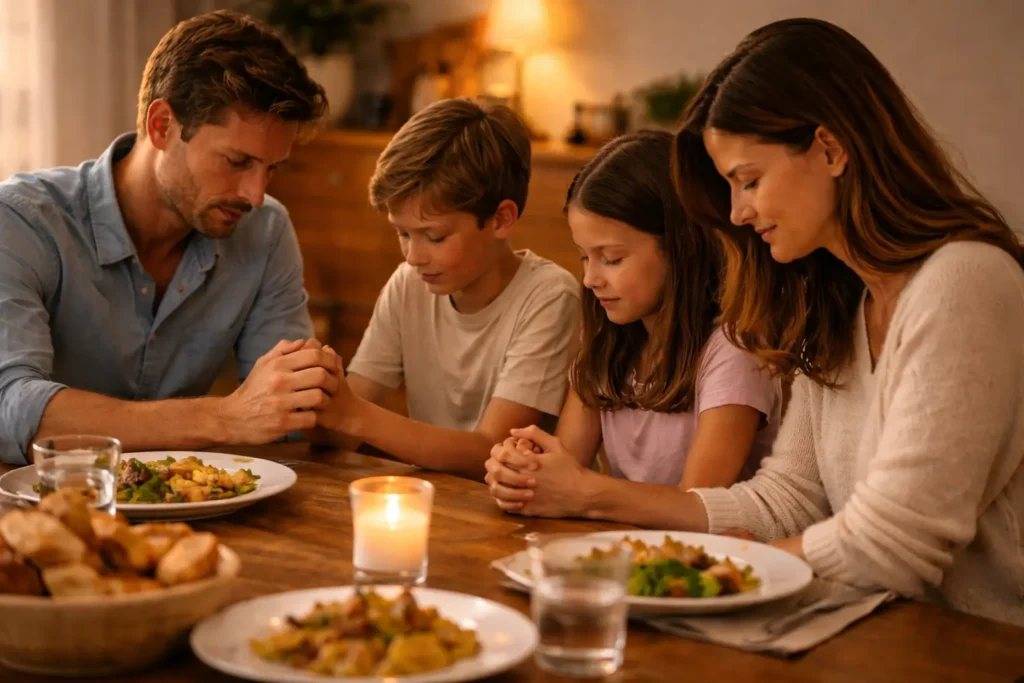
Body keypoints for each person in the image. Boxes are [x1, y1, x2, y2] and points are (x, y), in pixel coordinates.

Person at [668, 18, 1024, 625]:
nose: (738, 211)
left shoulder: (966, 282)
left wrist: (717, 577)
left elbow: (893, 544)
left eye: (749, 181)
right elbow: (791, 498)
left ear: (831, 150)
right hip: (877, 637)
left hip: (981, 650)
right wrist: (604, 512)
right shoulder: (841, 303)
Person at [0, 10, 339, 465]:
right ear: (162, 126)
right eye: (237, 162)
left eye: (271, 168)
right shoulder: (22, 220)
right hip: (36, 515)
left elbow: (287, 418)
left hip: (192, 517)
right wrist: (224, 418)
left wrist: (309, 390)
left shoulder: (266, 231)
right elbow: (11, 407)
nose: (256, 195)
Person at [483, 131, 780, 525]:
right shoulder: (610, 340)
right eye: (584, 256)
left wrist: (576, 490)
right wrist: (523, 472)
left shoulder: (733, 350)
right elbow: (565, 471)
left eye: (611, 258)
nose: (590, 278)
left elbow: (700, 508)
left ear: (680, 247)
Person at [313, 98, 580, 479]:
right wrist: (317, 392)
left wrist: (353, 416)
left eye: (435, 236)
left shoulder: (549, 296)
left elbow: (490, 452)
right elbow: (344, 417)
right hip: (437, 502)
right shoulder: (408, 284)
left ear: (501, 219)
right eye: (403, 233)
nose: (413, 256)